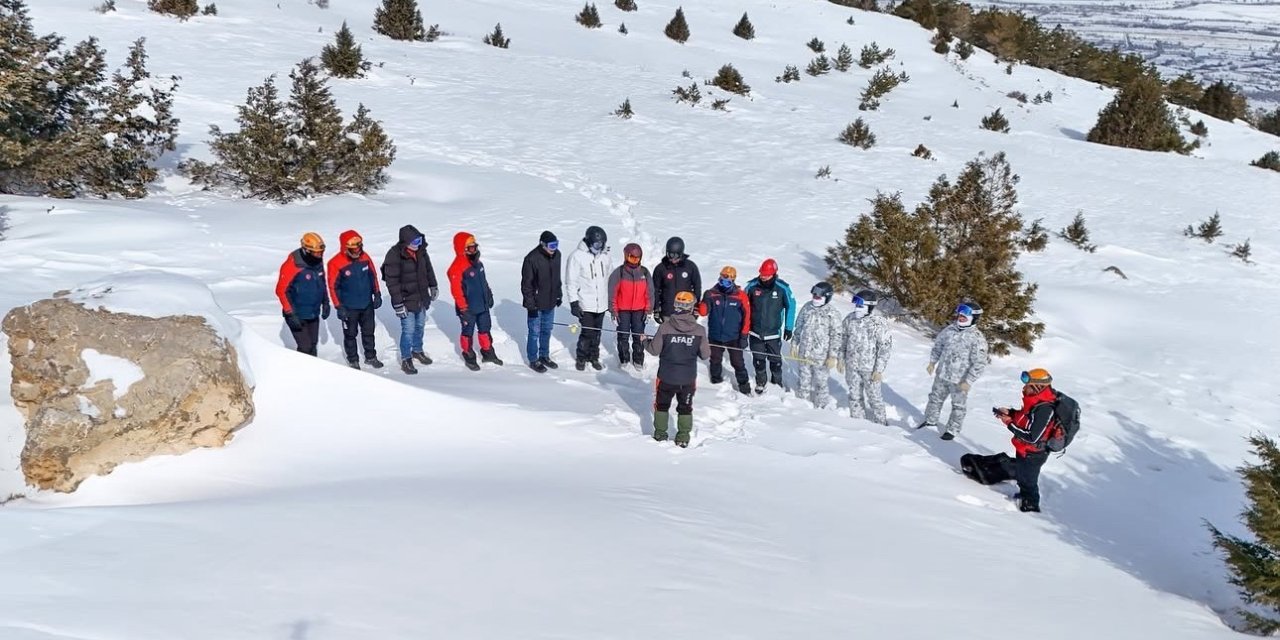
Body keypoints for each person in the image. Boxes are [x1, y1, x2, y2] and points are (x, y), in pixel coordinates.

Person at [645, 291, 710, 448]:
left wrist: (645, 341)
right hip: (687, 379)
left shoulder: (665, 327)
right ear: (691, 307)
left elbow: (654, 350)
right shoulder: (699, 331)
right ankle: (683, 438)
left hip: (666, 377)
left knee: (661, 405)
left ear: (675, 306)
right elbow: (705, 355)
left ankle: (660, 434)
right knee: (685, 408)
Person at [991, 368, 1059, 513]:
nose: (1024, 388)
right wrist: (1010, 413)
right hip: (1024, 448)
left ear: (1037, 387)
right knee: (1022, 476)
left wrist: (1009, 423)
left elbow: (1032, 437)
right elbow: (1025, 419)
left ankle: (1031, 507)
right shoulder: (1034, 401)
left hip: (1034, 453)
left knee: (1029, 481)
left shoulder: (1045, 409)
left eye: (1027, 385)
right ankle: (1024, 496)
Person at [919, 300, 988, 440]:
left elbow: (979, 363)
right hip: (942, 374)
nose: (960, 318)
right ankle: (930, 421)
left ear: (973, 318)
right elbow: (938, 346)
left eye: (964, 316)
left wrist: (969, 381)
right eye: (959, 315)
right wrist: (932, 362)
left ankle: (952, 430)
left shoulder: (977, 338)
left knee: (958, 405)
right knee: (935, 398)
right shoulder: (950, 330)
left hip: (960, 380)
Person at [381, 225, 438, 375]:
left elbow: (428, 269)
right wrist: (398, 304)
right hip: (406, 300)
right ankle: (406, 358)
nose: (418, 244)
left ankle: (417, 350)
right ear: (405, 241)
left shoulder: (421, 251)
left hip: (421, 297)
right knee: (408, 330)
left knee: (420, 326)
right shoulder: (394, 255)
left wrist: (433, 285)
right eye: (415, 241)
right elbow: (392, 283)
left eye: (419, 240)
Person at [328, 230, 384, 370]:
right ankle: (353, 360)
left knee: (369, 332)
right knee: (350, 335)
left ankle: (371, 357)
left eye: (359, 248)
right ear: (345, 248)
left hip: (366, 305)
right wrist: (338, 306)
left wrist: (377, 293)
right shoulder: (335, 263)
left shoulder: (365, 257)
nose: (357, 251)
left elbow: (373, 276)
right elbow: (333, 287)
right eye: (354, 249)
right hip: (349, 307)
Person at [446, 231, 502, 371]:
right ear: (463, 249)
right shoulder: (457, 267)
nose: (474, 250)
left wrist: (488, 295)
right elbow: (456, 291)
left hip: (482, 305)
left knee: (485, 329)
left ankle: (488, 353)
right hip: (468, 308)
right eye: (471, 248)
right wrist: (463, 308)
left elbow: (483, 282)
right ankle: (469, 355)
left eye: (475, 246)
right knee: (468, 333)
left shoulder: (479, 264)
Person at [838, 289, 892, 424]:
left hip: (870, 369)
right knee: (854, 396)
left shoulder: (878, 323)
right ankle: (858, 423)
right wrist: (841, 358)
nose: (857, 308)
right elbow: (843, 339)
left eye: (861, 306)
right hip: (852, 366)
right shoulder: (850, 319)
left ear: (870, 306)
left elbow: (884, 348)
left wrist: (879, 370)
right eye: (856, 305)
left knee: (874, 398)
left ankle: (881, 424)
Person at [743, 258, 796, 394]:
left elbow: (791, 306)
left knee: (775, 360)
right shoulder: (752, 286)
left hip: (773, 333)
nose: (763, 276)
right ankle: (761, 382)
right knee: (758, 359)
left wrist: (789, 327)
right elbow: (743, 306)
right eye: (762, 273)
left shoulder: (782, 288)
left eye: (766, 274)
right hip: (755, 332)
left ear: (774, 274)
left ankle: (777, 383)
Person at [697, 266, 752, 395]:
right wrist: (703, 303)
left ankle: (745, 387)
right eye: (722, 279)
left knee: (738, 362)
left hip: (734, 337)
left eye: (727, 281)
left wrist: (744, 335)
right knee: (715, 360)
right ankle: (716, 384)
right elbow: (703, 312)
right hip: (715, 335)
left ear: (733, 280)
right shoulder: (711, 293)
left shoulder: (740, 296)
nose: (724, 283)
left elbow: (747, 316)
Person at [275, 232, 330, 356]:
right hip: (297, 314)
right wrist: (290, 313)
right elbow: (281, 290)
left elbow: (322, 283)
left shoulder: (318, 262)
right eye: (316, 252)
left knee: (313, 345)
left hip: (313, 312)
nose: (320, 255)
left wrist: (326, 302)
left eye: (321, 252)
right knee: (305, 347)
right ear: (307, 251)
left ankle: (313, 368)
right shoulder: (293, 264)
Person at [565, 225, 611, 371]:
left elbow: (609, 279)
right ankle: (581, 357)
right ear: (589, 242)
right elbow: (571, 282)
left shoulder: (605, 256)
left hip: (601, 304)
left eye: (602, 244)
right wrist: (574, 303)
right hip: (585, 303)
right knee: (587, 332)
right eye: (597, 244)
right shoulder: (577, 257)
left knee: (597, 332)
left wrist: (610, 300)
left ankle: (594, 357)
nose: (599, 247)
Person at [791, 281, 843, 408]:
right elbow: (798, 326)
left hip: (821, 357)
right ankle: (801, 406)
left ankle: (821, 408)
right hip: (805, 353)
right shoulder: (807, 307)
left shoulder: (832, 313)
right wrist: (794, 343)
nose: (815, 298)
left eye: (818, 296)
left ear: (827, 297)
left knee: (821, 383)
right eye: (814, 295)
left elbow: (837, 336)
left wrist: (833, 356)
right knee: (803, 381)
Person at [520, 230, 563, 372]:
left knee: (547, 330)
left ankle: (544, 355)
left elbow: (557, 278)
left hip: (550, 301)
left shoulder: (557, 255)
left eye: (556, 245)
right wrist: (531, 306)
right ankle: (533, 359)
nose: (554, 249)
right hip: (536, 305)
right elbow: (526, 285)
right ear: (543, 245)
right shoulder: (531, 259)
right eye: (551, 246)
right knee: (534, 332)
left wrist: (558, 294)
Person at [608, 243, 654, 371]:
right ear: (626, 256)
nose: (634, 261)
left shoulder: (644, 272)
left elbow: (649, 293)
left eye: (637, 258)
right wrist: (613, 311)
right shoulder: (619, 273)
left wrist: (648, 311)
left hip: (639, 310)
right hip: (623, 310)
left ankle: (638, 359)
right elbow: (612, 293)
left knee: (638, 335)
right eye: (632, 258)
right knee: (623, 335)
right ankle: (624, 358)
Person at [651, 236, 701, 324]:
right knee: (667, 332)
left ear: (681, 253)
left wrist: (696, 306)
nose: (673, 258)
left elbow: (697, 287)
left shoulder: (690, 267)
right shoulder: (661, 268)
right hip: (667, 311)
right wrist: (656, 308)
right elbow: (655, 289)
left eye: (676, 255)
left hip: (687, 312)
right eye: (670, 255)